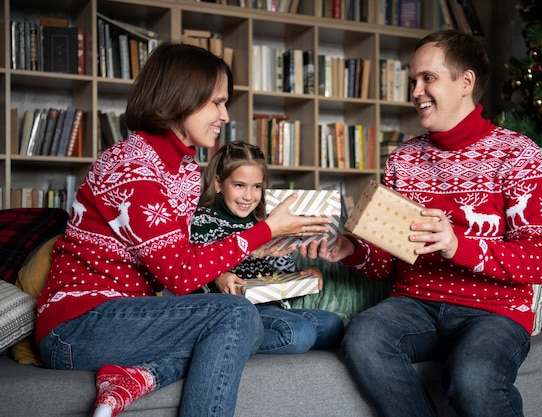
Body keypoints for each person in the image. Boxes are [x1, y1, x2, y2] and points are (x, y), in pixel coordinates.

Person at [35, 43, 331, 417]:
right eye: (217, 103)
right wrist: (266, 229)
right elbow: (180, 273)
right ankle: (145, 374)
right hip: (78, 326)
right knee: (237, 316)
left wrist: (265, 248)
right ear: (182, 98)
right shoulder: (132, 167)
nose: (225, 115)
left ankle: (141, 375)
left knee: (295, 324)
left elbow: (185, 269)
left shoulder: (185, 172)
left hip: (133, 315)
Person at [302, 30, 542, 417]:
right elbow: (388, 262)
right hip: (415, 304)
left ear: (465, 82)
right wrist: (352, 251)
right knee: (364, 336)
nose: (416, 91)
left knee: (472, 377)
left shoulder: (518, 155)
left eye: (428, 78)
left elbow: (541, 260)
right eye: (413, 81)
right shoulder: (403, 159)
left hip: (494, 310)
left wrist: (458, 245)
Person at [190, 141, 344, 354]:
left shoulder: (267, 221)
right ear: (218, 183)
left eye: (256, 187)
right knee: (299, 333)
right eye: (239, 185)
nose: (248, 196)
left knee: (332, 324)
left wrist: (304, 276)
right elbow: (193, 270)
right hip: (234, 311)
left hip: (272, 308)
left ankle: (248, 336)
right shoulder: (203, 220)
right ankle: (221, 338)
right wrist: (220, 278)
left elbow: (282, 275)